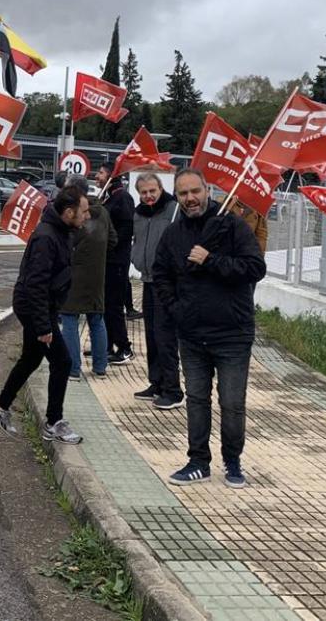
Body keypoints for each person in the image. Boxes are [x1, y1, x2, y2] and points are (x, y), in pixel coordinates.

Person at [154, 169, 266, 488]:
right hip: (191, 335)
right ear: (177, 197)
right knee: (197, 399)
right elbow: (161, 274)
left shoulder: (232, 226)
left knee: (231, 403)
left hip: (232, 335)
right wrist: (177, 311)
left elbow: (255, 268)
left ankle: (233, 461)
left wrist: (212, 260)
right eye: (183, 193)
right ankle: (198, 462)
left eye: (195, 191)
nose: (190, 199)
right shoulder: (173, 234)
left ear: (207, 190)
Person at [0, 186, 90, 445]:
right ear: (69, 212)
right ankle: (54, 423)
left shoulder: (63, 231)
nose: (87, 216)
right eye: (84, 211)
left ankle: (0, 406)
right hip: (35, 309)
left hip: (42, 307)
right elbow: (36, 284)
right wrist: (44, 325)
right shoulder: (46, 237)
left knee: (31, 358)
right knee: (63, 362)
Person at [131, 172, 184, 408]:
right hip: (148, 280)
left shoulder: (174, 210)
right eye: (144, 192)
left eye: (153, 191)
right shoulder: (139, 214)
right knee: (151, 335)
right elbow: (137, 242)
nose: (149, 196)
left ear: (161, 188)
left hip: (167, 283)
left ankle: (173, 390)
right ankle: (157, 382)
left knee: (165, 337)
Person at [58, 175, 116, 379]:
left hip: (73, 274)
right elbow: (113, 241)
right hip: (97, 274)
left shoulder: (74, 213)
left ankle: (73, 369)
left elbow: (64, 240)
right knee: (97, 318)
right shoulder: (104, 212)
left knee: (69, 318)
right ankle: (100, 367)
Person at [96, 163, 136, 363]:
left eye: (101, 173)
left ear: (112, 175)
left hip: (117, 261)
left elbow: (127, 228)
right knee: (105, 305)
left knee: (114, 305)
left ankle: (124, 347)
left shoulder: (123, 198)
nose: (97, 176)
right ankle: (107, 345)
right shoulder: (109, 197)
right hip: (107, 260)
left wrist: (110, 245)